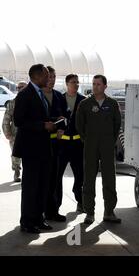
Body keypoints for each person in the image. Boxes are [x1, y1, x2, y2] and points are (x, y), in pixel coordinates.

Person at [13, 64, 56, 233]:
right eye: (46, 76)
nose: (49, 78)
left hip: (43, 149)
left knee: (42, 186)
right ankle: (27, 222)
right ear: (37, 76)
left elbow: (40, 117)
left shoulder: (40, 94)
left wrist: (54, 120)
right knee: (31, 187)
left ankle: (39, 219)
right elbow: (19, 121)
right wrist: (42, 125)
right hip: (31, 150)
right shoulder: (25, 95)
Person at [76, 75, 122, 224]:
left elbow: (117, 124)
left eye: (98, 84)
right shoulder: (85, 104)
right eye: (93, 84)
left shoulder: (112, 104)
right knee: (89, 178)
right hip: (90, 145)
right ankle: (89, 212)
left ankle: (109, 211)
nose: (95, 86)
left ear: (105, 86)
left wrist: (109, 140)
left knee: (109, 178)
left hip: (107, 146)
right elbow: (79, 125)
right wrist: (87, 139)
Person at [55, 74, 85, 214]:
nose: (76, 84)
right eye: (73, 82)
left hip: (77, 145)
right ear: (67, 84)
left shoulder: (83, 101)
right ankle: (56, 205)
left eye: (77, 82)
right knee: (57, 175)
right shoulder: (59, 99)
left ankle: (80, 200)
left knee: (80, 175)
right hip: (62, 145)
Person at [42, 66, 67, 222]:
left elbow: (65, 116)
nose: (52, 79)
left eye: (54, 76)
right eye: (49, 76)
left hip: (56, 144)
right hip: (40, 143)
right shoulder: (37, 95)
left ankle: (53, 211)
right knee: (41, 180)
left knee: (55, 179)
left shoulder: (58, 96)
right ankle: (40, 212)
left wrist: (62, 128)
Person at [2, 81, 27, 182]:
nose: (20, 89)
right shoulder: (12, 103)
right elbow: (6, 120)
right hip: (15, 134)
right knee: (15, 154)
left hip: (29, 134)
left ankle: (27, 173)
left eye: (22, 87)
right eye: (18, 87)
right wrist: (7, 133)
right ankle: (16, 171)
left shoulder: (31, 102)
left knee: (28, 155)